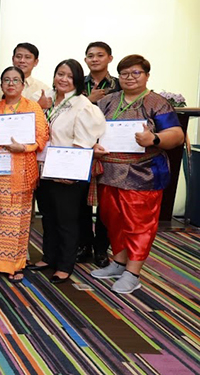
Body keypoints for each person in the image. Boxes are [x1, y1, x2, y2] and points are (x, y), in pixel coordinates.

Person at [90, 55, 184, 294]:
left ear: (147, 76)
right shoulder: (108, 101)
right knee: (113, 220)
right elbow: (91, 131)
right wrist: (93, 145)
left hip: (143, 174)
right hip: (109, 172)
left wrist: (154, 139)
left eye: (135, 73)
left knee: (139, 225)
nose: (129, 78)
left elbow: (176, 134)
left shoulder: (156, 103)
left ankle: (133, 272)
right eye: (124, 74)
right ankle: (119, 263)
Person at [29, 59, 105, 283]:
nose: (63, 79)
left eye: (69, 76)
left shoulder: (83, 105)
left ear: (78, 80)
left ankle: (65, 264)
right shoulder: (47, 101)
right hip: (43, 168)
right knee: (48, 216)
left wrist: (70, 170)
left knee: (67, 219)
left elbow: (83, 142)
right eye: (59, 74)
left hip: (67, 170)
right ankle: (49, 256)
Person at [0, 66, 48, 283]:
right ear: (1, 84)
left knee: (19, 220)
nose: (11, 84)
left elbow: (42, 138)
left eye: (15, 80)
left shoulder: (33, 108)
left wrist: (25, 148)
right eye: (6, 80)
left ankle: (18, 264)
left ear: (23, 84)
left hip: (22, 169)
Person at [78, 41, 121, 266]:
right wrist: (88, 100)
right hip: (81, 147)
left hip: (107, 147)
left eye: (100, 55)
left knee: (105, 201)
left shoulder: (119, 84)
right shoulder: (78, 83)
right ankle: (84, 244)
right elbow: (67, 109)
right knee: (81, 201)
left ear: (109, 58)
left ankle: (101, 248)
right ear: (85, 60)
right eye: (90, 56)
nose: (95, 59)